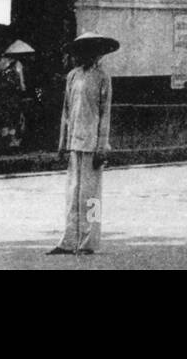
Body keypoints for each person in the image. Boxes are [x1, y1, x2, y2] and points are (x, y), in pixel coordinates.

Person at [48, 31, 118, 256]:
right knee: (72, 194)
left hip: (92, 144)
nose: (86, 56)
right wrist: (62, 143)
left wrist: (102, 146)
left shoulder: (103, 78)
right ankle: (68, 241)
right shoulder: (72, 76)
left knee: (92, 196)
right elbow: (66, 112)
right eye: (83, 52)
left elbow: (105, 114)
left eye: (91, 52)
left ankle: (89, 242)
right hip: (74, 142)